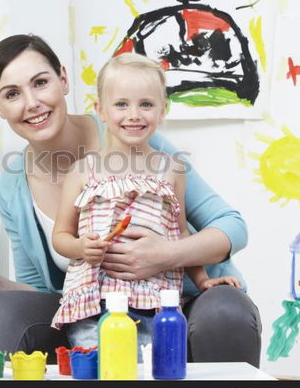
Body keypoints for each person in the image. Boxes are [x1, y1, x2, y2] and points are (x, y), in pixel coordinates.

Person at [0, 34, 262, 366]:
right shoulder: (14, 186)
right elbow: (42, 293)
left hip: (172, 300)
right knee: (1, 308)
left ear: (63, 80)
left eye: (40, 83)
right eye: (12, 94)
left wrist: (164, 255)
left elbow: (232, 226)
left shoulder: (133, 136)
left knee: (224, 310)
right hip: (91, 311)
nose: (32, 103)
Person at [50, 53, 240, 353]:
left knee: (151, 370)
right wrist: (80, 247)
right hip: (93, 308)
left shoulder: (172, 170)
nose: (134, 114)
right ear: (100, 110)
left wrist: (203, 280)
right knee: (103, 371)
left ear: (162, 111)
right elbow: (60, 236)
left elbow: (180, 235)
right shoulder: (82, 171)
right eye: (121, 104)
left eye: (146, 104)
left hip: (154, 304)